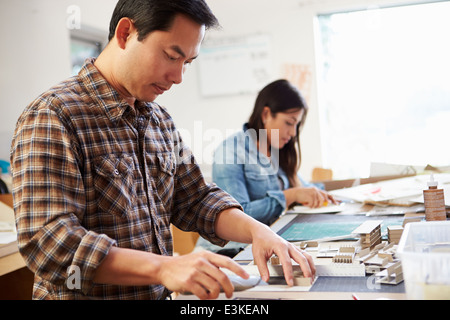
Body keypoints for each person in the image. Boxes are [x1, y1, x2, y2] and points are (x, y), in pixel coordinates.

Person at [10, 1, 315, 300]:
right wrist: (163, 268)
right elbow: (48, 242)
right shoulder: (54, 115)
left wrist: (258, 231)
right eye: (172, 56)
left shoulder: (159, 120)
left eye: (188, 63)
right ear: (126, 33)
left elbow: (195, 198)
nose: (178, 76)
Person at [196, 79, 337, 254]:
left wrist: (328, 195)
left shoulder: (276, 150)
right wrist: (290, 195)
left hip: (265, 245)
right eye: (289, 123)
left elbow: (304, 189)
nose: (293, 133)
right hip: (229, 252)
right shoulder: (230, 152)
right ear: (266, 115)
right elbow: (236, 217)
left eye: (297, 125)